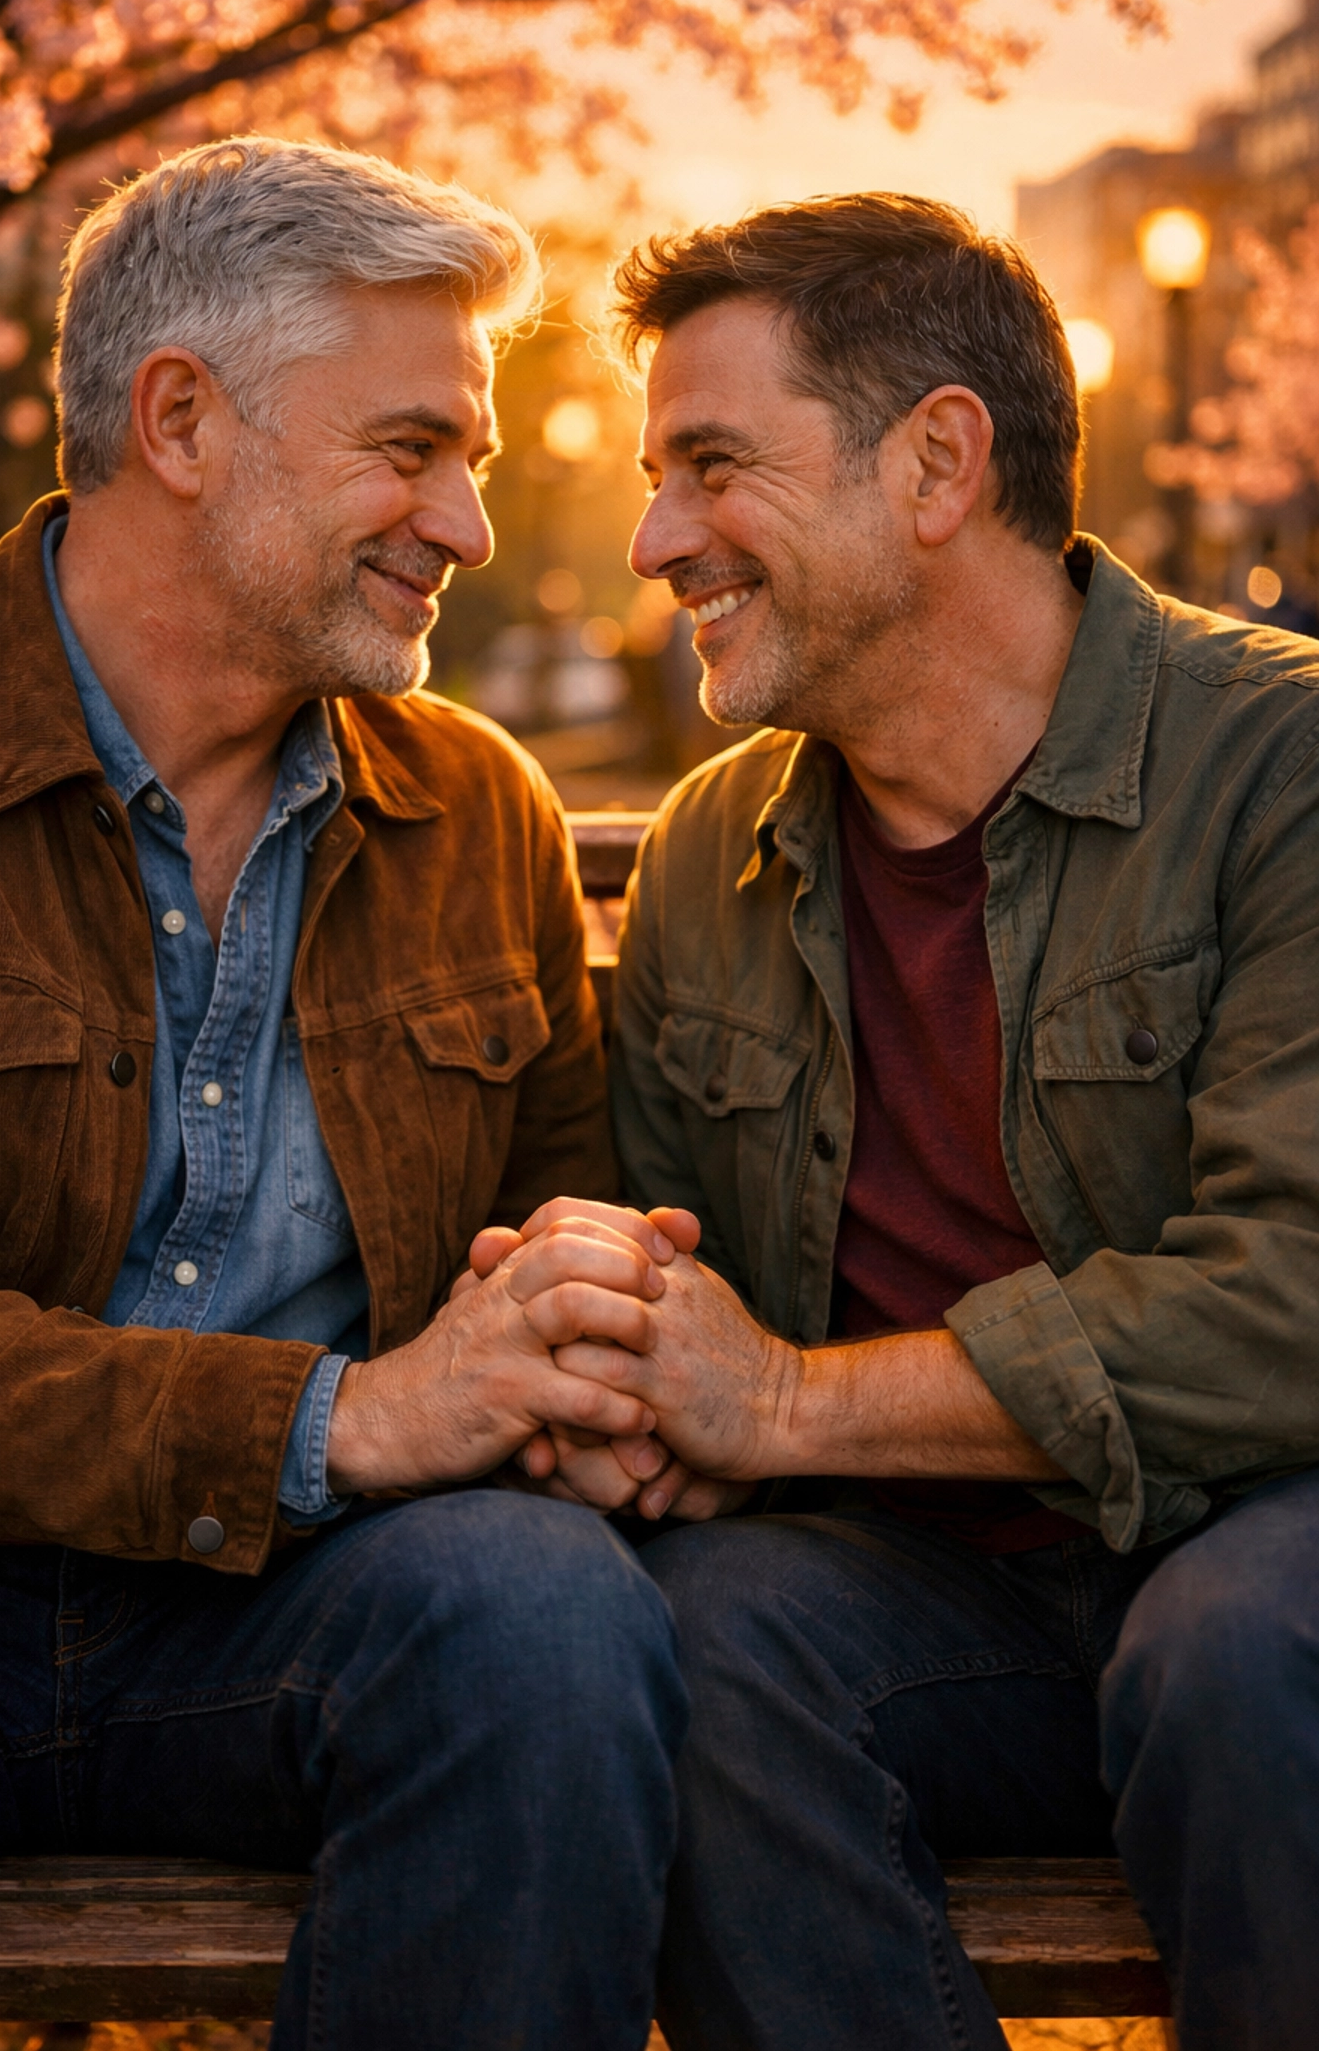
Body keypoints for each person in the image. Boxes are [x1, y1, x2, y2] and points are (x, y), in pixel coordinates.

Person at [0, 138, 692, 2051]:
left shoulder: (478, 808)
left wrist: (589, 1355)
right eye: (407, 449)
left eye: (475, 464)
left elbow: (554, 1226)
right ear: (180, 420)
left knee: (542, 1620)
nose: (460, 520)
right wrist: (345, 1418)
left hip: (299, 1621)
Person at [523, 194, 1319, 2051]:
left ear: (940, 461)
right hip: (920, 1603)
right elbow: (679, 1298)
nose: (655, 540)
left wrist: (790, 1399)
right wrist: (613, 1374)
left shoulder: (1280, 766)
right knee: (688, 1634)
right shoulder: (720, 847)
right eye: (656, 476)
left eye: (715, 465)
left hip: (1261, 1543)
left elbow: (1297, 1292)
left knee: (1247, 1652)